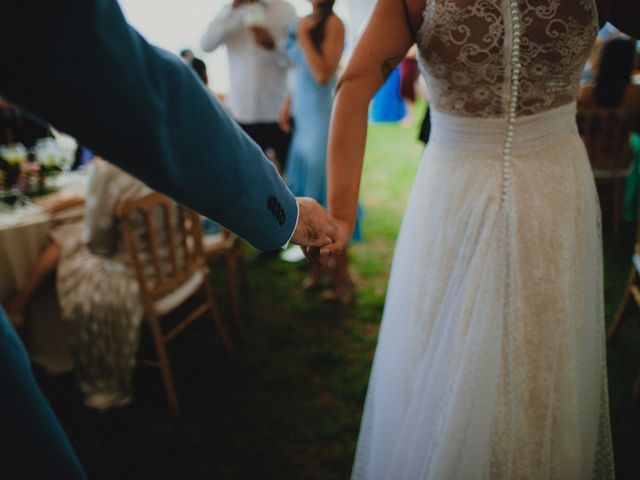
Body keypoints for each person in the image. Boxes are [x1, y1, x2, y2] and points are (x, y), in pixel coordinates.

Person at [1, 0, 336, 478]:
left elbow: (124, 80)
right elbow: (130, 80)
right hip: (229, 142)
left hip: (266, 111)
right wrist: (286, 211)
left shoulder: (283, 11)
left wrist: (281, 210)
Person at [318, 0, 639, 478]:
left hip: (461, 189)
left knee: (449, 345)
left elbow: (355, 82)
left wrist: (342, 213)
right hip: (547, 185)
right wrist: (340, 213)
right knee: (537, 348)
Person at [278, 0, 360, 302]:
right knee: (308, 195)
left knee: (326, 198)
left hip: (322, 121)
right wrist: (287, 104)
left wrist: (301, 34)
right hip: (304, 118)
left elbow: (324, 73)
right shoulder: (306, 21)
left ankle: (341, 280)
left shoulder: (334, 23)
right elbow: (300, 72)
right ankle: (317, 272)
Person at [200, 0, 296, 171]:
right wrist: (231, 10)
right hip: (241, 113)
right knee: (246, 174)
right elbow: (206, 45)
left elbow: (295, 62)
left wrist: (273, 47)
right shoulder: (228, 12)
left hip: (277, 113)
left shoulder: (285, 9)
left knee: (289, 175)